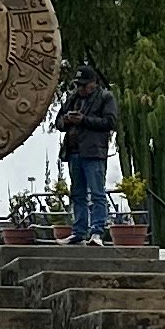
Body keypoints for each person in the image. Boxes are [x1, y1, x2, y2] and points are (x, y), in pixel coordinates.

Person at [54, 67, 118, 244]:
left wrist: (84, 120)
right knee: (77, 194)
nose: (81, 89)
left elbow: (110, 122)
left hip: (93, 152)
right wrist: (66, 120)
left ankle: (97, 231)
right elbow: (58, 122)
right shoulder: (73, 98)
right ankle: (79, 231)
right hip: (74, 152)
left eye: (84, 85)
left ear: (94, 83)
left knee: (97, 193)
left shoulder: (105, 97)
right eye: (78, 85)